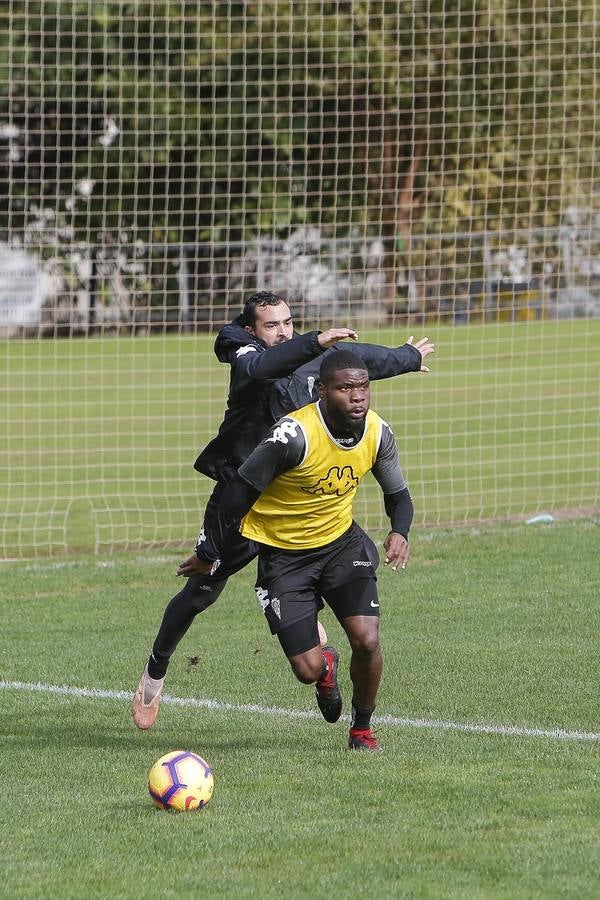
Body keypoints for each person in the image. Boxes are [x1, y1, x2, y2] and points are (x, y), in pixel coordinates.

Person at [132, 291, 433, 730]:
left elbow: (358, 359)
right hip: (244, 500)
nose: (282, 332)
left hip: (294, 504)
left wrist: (405, 357)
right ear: (252, 329)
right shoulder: (247, 358)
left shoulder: (311, 365)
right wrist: (312, 341)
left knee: (320, 589)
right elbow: (263, 366)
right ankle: (155, 670)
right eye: (272, 325)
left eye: (288, 323)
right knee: (200, 591)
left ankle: (319, 659)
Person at [186, 349, 414, 752]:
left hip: (341, 546)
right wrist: (210, 552)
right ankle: (325, 667)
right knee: (306, 670)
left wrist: (400, 532)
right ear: (322, 392)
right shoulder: (291, 437)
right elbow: (237, 492)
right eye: (346, 388)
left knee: (367, 638)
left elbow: (398, 494)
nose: (358, 396)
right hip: (283, 557)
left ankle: (361, 728)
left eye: (363, 387)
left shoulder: (378, 433)